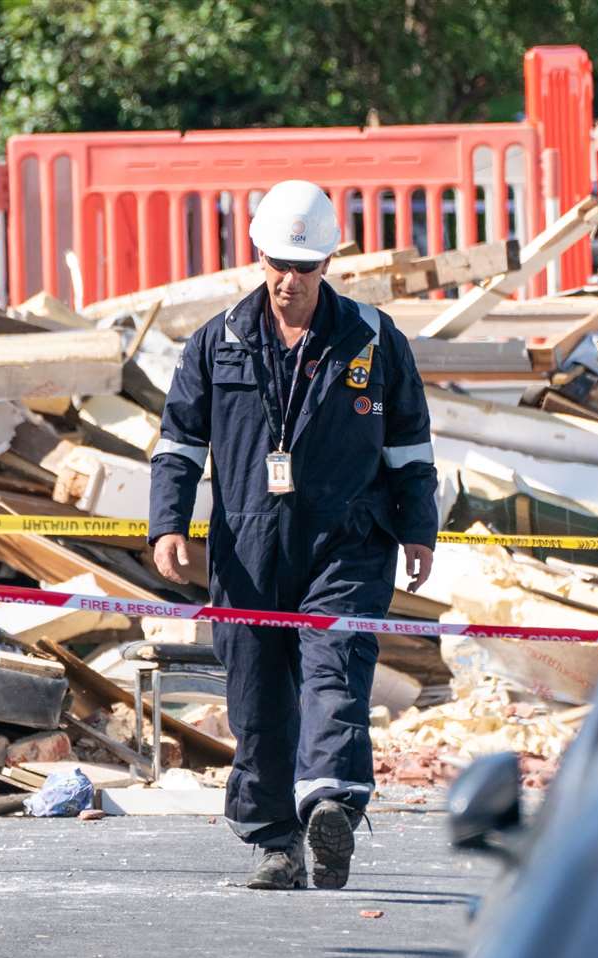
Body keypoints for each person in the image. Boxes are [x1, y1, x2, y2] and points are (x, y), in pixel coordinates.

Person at [148, 180, 436, 891]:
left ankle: (329, 805)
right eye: (279, 263)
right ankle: (276, 842)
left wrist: (418, 530)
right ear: (258, 257)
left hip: (348, 541)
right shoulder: (219, 343)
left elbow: (409, 444)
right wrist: (168, 525)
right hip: (247, 547)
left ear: (329, 262)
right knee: (256, 696)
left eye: (304, 267)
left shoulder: (372, 337)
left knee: (334, 666)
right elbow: (178, 444)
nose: (290, 280)